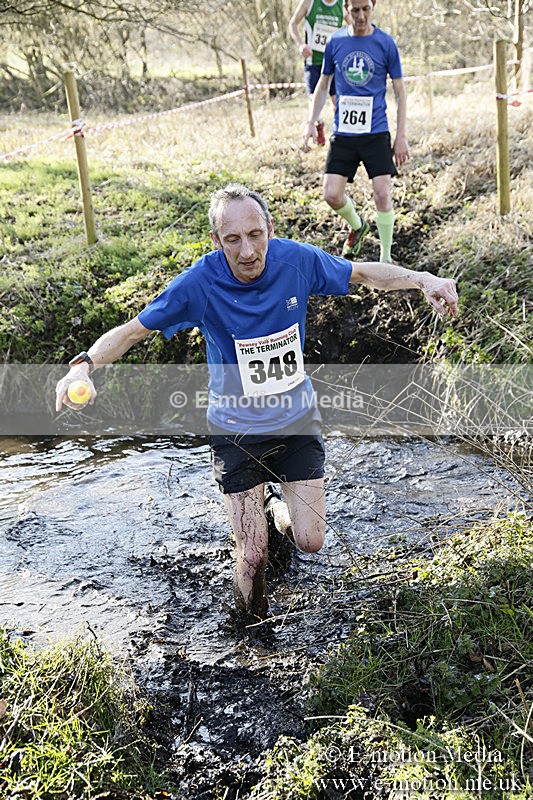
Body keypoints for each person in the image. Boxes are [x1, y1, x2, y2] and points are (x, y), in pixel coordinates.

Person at [55, 184, 458, 627]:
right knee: (252, 556)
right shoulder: (199, 284)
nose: (247, 251)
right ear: (216, 242)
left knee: (311, 540)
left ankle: (277, 506)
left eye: (255, 235)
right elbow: (133, 331)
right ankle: (251, 632)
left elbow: (362, 273)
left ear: (269, 228)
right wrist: (83, 366)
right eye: (232, 240)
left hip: (295, 423)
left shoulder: (296, 261)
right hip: (236, 433)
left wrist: (423, 280)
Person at [303, 0, 409, 262]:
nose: (361, 16)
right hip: (345, 132)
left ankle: (386, 258)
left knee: (383, 194)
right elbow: (323, 84)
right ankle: (358, 226)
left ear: (372, 8)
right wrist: (310, 122)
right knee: (331, 195)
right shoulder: (336, 42)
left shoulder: (386, 43)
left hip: (376, 131)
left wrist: (401, 135)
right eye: (355, 10)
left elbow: (400, 92)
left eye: (366, 9)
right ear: (346, 9)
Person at [288, 0, 344, 146]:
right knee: (314, 99)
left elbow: (354, 25)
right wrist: (301, 44)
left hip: (334, 61)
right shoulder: (310, 2)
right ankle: (318, 126)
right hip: (314, 61)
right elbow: (292, 24)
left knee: (337, 101)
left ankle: (341, 135)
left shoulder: (343, 4)